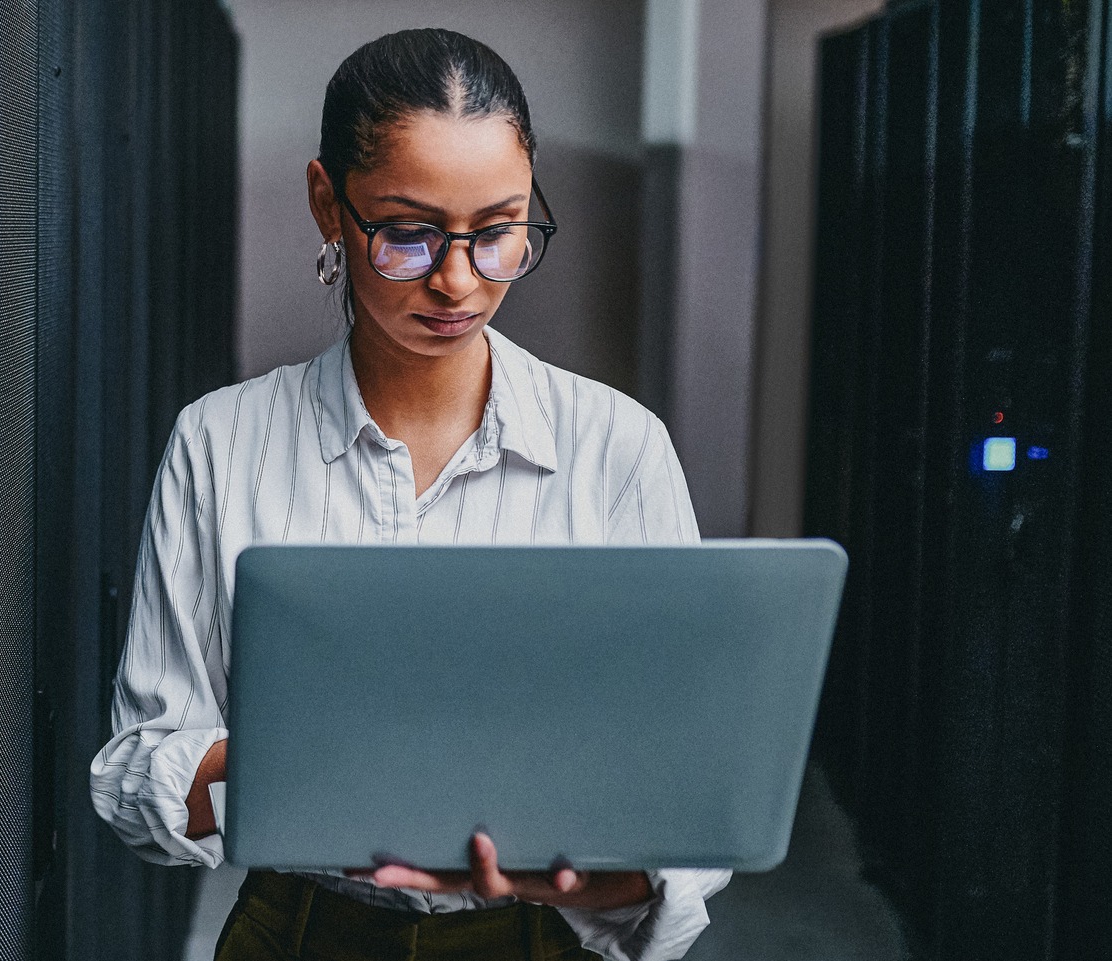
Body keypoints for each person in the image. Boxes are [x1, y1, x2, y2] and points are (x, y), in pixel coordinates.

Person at [87, 27, 734, 961]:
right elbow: (137, 769)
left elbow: (692, 782)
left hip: (537, 934)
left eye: (498, 229)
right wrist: (311, 767)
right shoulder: (222, 443)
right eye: (408, 233)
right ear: (327, 204)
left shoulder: (617, 448)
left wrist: (604, 873)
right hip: (299, 932)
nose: (458, 279)